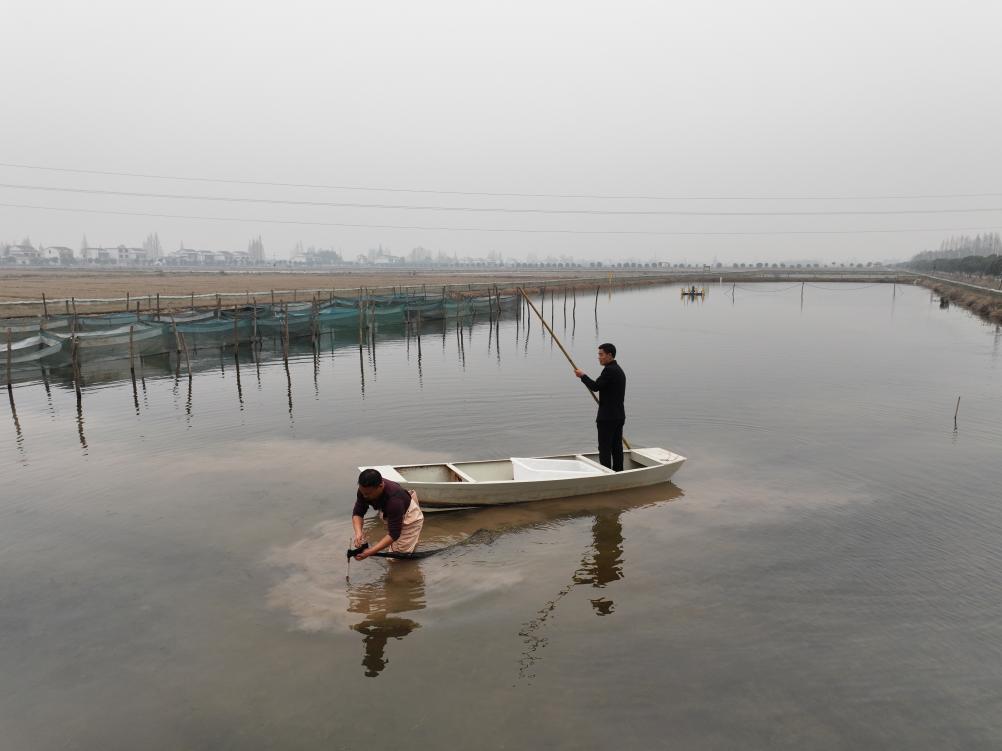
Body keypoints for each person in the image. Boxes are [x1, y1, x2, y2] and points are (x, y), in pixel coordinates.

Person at [574, 342, 626, 472]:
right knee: (616, 447)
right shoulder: (619, 370)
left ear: (609, 355)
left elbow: (595, 386)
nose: (599, 357)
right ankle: (619, 472)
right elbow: (605, 389)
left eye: (601, 354)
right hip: (619, 416)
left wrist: (582, 376)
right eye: (599, 354)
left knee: (604, 448)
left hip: (607, 417)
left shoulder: (609, 370)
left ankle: (606, 474)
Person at [351, 469, 424, 559]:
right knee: (398, 545)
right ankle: (411, 544)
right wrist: (358, 533)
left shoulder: (394, 501)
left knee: (395, 558)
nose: (365, 496)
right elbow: (358, 513)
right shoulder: (364, 491)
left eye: (368, 494)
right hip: (393, 510)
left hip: (410, 517)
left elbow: (394, 534)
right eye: (363, 493)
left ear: (381, 486)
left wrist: (370, 551)